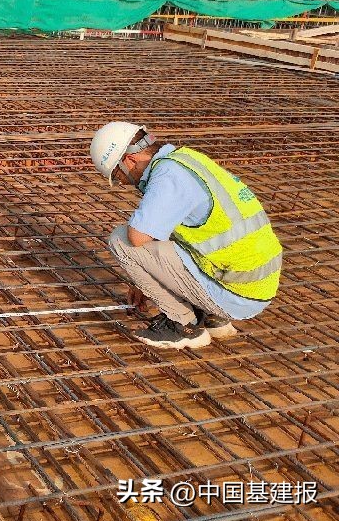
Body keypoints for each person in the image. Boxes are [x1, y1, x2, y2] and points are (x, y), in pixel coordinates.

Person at [90, 121, 282, 350]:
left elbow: (138, 238)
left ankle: (184, 325)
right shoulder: (186, 159)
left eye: (118, 175)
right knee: (165, 232)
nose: (122, 183)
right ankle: (212, 316)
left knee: (121, 240)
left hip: (237, 293)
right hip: (256, 283)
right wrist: (143, 281)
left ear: (129, 160)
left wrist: (144, 276)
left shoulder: (168, 176)